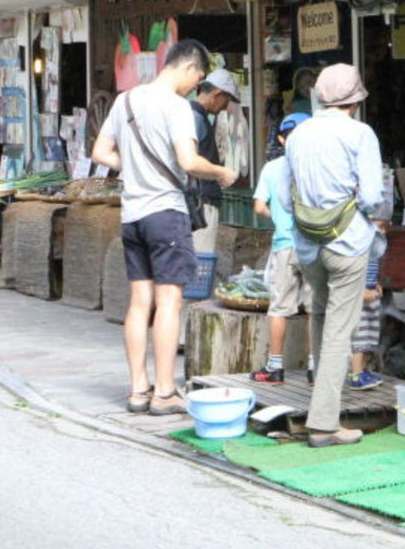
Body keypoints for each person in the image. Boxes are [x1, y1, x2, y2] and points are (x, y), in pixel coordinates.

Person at [90, 39, 238, 416]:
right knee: (169, 302)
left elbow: (100, 153)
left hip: (132, 215)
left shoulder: (125, 101)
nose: (195, 85)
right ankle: (165, 390)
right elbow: (189, 162)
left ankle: (139, 389)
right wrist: (221, 172)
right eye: (198, 77)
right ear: (188, 68)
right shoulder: (176, 106)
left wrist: (134, 168)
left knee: (140, 303)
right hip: (165, 215)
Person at [275, 63, 383, 448]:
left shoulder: (299, 133)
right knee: (340, 331)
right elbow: (372, 196)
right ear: (355, 99)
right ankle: (324, 424)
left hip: (307, 242)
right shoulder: (360, 134)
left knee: (320, 318)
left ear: (319, 96)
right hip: (347, 243)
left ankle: (323, 407)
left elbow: (287, 190)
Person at [250, 112, 311, 384]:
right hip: (314, 245)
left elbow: (259, 206)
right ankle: (315, 367)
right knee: (314, 309)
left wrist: (276, 215)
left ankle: (274, 368)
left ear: (281, 138)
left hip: (284, 244)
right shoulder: (317, 165)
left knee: (279, 308)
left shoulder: (272, 168)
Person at [190, 68, 241, 251]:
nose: (225, 108)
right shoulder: (195, 119)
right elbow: (189, 161)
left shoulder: (195, 116)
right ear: (217, 94)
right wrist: (220, 172)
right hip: (200, 203)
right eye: (226, 101)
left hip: (197, 200)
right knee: (200, 260)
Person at [348, 219, 390, 390]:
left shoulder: (374, 248)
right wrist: (361, 290)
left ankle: (363, 370)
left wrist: (375, 284)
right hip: (360, 295)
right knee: (361, 335)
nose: (384, 232)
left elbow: (373, 270)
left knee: (371, 335)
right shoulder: (358, 246)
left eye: (384, 229)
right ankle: (356, 373)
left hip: (372, 292)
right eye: (379, 228)